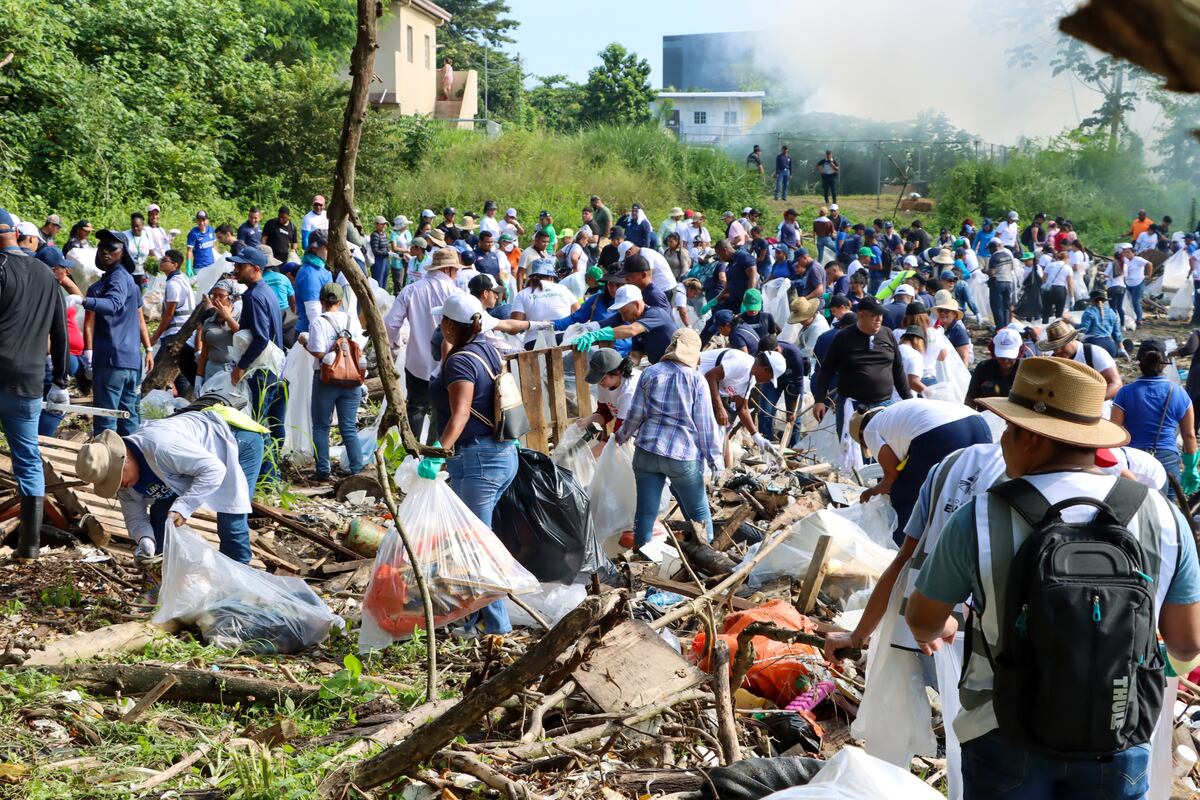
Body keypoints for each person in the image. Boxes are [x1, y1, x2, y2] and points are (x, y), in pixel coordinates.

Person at [906, 356, 1200, 800]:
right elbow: (1186, 643)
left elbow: (922, 619)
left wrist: (947, 625)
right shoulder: (1163, 516)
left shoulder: (980, 517)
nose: (1003, 440)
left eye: (1009, 428)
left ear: (1030, 436)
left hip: (1003, 730)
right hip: (1119, 731)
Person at [75, 406, 267, 596]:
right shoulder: (125, 484)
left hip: (235, 440)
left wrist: (184, 507)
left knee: (230, 518)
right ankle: (161, 587)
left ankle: (238, 590)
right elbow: (135, 518)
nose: (121, 486)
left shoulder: (162, 448)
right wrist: (145, 541)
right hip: (192, 466)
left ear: (124, 461)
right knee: (160, 516)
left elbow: (213, 470)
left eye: (117, 479)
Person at [410, 292, 516, 634]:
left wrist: (434, 454)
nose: (439, 325)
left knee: (477, 548)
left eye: (443, 321)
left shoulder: (461, 362)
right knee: (475, 540)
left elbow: (459, 415)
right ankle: (472, 618)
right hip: (498, 455)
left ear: (452, 325)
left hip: (478, 460)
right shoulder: (485, 347)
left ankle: (497, 627)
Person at [0, 209, 70, 560]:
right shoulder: (46, 274)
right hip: (29, 380)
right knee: (27, 458)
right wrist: (60, 379)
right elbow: (60, 333)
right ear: (15, 233)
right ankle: (29, 545)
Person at [616, 328, 721, 550]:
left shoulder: (650, 373)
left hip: (647, 452)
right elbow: (705, 426)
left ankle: (643, 557)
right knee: (699, 512)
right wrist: (715, 462)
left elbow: (635, 415)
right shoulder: (696, 380)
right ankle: (708, 552)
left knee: (645, 512)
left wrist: (621, 436)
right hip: (681, 456)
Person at [852, 399, 991, 543]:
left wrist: (869, 493)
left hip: (942, 432)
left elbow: (891, 478)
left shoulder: (869, 430)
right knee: (965, 494)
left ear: (861, 435)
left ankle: (899, 555)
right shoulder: (895, 414)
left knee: (903, 496)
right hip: (978, 424)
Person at [386, 248, 464, 442]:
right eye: (456, 270)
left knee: (416, 408)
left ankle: (411, 454)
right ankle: (433, 456)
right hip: (448, 363)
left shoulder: (411, 290)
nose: (457, 274)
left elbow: (390, 323)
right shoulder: (456, 294)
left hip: (416, 361)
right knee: (442, 410)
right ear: (448, 270)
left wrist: (394, 342)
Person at [811, 295, 912, 438]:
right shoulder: (844, 337)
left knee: (883, 449)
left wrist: (908, 400)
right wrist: (819, 400)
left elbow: (898, 369)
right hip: (853, 406)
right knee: (853, 453)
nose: (879, 319)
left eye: (881, 315)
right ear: (861, 315)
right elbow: (827, 369)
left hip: (883, 404)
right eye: (874, 315)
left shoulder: (887, 334)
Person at [84, 230, 151, 436]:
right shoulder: (130, 282)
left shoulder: (115, 280)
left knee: (106, 422)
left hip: (112, 361)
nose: (105, 252)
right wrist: (148, 348)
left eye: (111, 248)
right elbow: (140, 318)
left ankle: (108, 468)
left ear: (123, 253)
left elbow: (112, 305)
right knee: (129, 419)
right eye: (102, 247)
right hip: (131, 361)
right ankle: (132, 466)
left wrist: (82, 301)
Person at [1111, 339, 1198, 494]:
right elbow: (1189, 435)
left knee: (1136, 510)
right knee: (1166, 512)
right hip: (1167, 461)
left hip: (1134, 461)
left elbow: (1113, 432)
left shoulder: (1125, 392)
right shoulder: (1179, 393)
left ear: (1139, 363)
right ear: (1165, 363)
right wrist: (1191, 468)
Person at [304, 282, 366, 481]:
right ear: (341, 301)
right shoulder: (352, 321)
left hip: (326, 380)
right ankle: (357, 468)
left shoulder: (319, 322)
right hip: (353, 380)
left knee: (321, 426)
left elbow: (319, 352)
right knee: (348, 426)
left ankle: (323, 470)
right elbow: (359, 348)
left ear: (321, 301)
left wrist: (304, 343)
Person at [700, 347, 786, 456]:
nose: (767, 381)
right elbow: (710, 376)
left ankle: (724, 470)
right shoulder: (743, 364)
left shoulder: (751, 379)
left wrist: (756, 436)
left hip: (704, 389)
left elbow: (743, 408)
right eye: (770, 378)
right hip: (690, 378)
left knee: (723, 430)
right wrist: (720, 408)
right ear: (765, 369)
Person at [574, 284, 677, 364]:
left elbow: (631, 330)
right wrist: (625, 367)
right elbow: (636, 354)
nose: (623, 318)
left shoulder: (655, 314)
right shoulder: (640, 326)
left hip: (677, 365)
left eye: (625, 312)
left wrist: (596, 334)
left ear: (637, 304)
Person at [148, 249, 197, 397]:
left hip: (176, 333)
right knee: (179, 369)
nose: (161, 262)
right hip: (185, 331)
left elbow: (169, 315)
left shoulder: (173, 284)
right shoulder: (181, 278)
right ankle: (185, 400)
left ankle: (148, 401)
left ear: (174, 265)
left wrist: (155, 336)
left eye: (165, 260)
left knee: (157, 371)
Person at [1038, 319, 1123, 399]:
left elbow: (1116, 383)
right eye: (1054, 347)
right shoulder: (1053, 360)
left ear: (1072, 339)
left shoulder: (1094, 353)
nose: (1058, 351)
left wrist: (1091, 401)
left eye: (1062, 346)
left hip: (1097, 408)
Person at [510, 258, 579, 348]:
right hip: (563, 339)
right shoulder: (563, 289)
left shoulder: (523, 294)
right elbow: (578, 313)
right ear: (551, 277)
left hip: (533, 343)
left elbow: (514, 327)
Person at [756, 334, 806, 450]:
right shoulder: (763, 353)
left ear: (777, 350)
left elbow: (798, 383)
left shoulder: (794, 353)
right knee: (765, 411)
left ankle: (794, 446)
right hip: (772, 379)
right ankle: (766, 444)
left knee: (794, 418)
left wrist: (792, 411)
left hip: (792, 381)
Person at [577, 348, 640, 440]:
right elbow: (605, 412)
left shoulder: (629, 390)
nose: (600, 383)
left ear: (617, 372)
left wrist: (592, 453)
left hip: (645, 434)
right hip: (628, 431)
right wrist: (587, 422)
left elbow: (620, 435)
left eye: (602, 379)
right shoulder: (605, 383)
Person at [196, 280, 239, 388]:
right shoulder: (209, 321)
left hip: (232, 372)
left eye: (220, 296)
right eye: (213, 295)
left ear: (231, 298)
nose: (216, 299)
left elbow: (241, 336)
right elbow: (205, 353)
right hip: (211, 370)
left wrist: (228, 318)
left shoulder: (240, 317)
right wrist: (199, 378)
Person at [965, 328, 1021, 409]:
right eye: (1001, 356)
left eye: (1009, 357)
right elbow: (970, 399)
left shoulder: (1025, 371)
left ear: (1019, 352)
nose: (1005, 360)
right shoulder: (983, 368)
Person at [1116, 242, 1152, 327]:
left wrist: (1149, 276)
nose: (1126, 254)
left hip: (1138, 283)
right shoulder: (1125, 260)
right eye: (1125, 252)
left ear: (1133, 252)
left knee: (1136, 302)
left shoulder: (1138, 259)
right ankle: (1133, 316)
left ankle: (1139, 320)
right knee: (1129, 301)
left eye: (1128, 252)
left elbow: (1149, 264)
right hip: (1128, 283)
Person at [1078, 288, 1121, 357]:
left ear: (1092, 300)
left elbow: (1083, 329)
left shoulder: (1089, 311)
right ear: (1105, 300)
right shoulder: (1112, 312)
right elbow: (1117, 334)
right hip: (1111, 347)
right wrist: (1121, 348)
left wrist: (1072, 322)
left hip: (1094, 346)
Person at [932, 292, 971, 366]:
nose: (943, 313)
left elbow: (964, 357)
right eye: (940, 310)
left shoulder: (959, 332)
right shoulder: (939, 329)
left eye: (946, 311)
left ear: (954, 314)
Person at [1039, 246, 1073, 323]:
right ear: (1066, 258)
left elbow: (1043, 279)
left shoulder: (1050, 265)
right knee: (1059, 313)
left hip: (1049, 289)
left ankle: (1044, 327)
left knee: (1046, 311)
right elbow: (1070, 283)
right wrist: (1072, 296)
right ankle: (1057, 329)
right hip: (1060, 290)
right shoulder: (1068, 268)